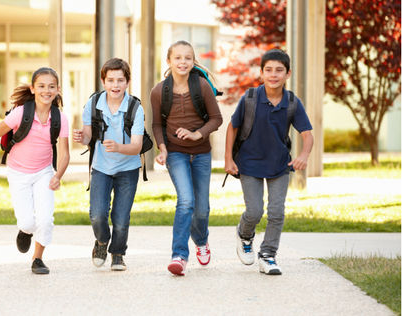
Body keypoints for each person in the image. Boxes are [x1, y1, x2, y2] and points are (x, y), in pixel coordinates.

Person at [225, 48, 314, 275]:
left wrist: (303, 156)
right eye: (269, 70)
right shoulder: (251, 98)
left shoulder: (292, 102)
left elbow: (307, 134)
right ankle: (245, 235)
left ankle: (268, 255)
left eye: (279, 70)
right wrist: (228, 159)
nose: (273, 75)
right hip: (249, 163)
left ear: (288, 74)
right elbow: (232, 127)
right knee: (254, 211)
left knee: (277, 212)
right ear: (261, 73)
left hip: (279, 165)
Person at [0, 67, 70, 275]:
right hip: (18, 173)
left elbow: (64, 154)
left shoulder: (60, 118)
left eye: (51, 86)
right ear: (32, 88)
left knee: (46, 219)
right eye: (41, 86)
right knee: (28, 221)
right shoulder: (21, 113)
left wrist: (58, 175)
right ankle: (25, 231)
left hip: (44, 172)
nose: (46, 91)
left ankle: (37, 258)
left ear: (57, 89)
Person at [151, 41, 223, 276]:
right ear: (169, 61)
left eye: (188, 58)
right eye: (178, 58)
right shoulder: (159, 91)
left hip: (201, 153)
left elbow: (216, 119)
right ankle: (179, 255)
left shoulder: (201, 86)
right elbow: (157, 124)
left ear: (193, 61)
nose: (183, 62)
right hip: (176, 153)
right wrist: (162, 149)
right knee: (186, 201)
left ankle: (201, 241)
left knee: (201, 209)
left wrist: (197, 134)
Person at [72, 58, 144, 271]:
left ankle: (118, 253)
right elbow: (88, 137)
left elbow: (137, 146)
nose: (115, 85)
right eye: (111, 80)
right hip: (101, 168)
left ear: (127, 82)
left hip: (128, 170)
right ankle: (102, 242)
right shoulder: (93, 104)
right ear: (103, 81)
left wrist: (118, 147)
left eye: (120, 80)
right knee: (97, 214)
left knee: (121, 219)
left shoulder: (135, 108)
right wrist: (81, 138)